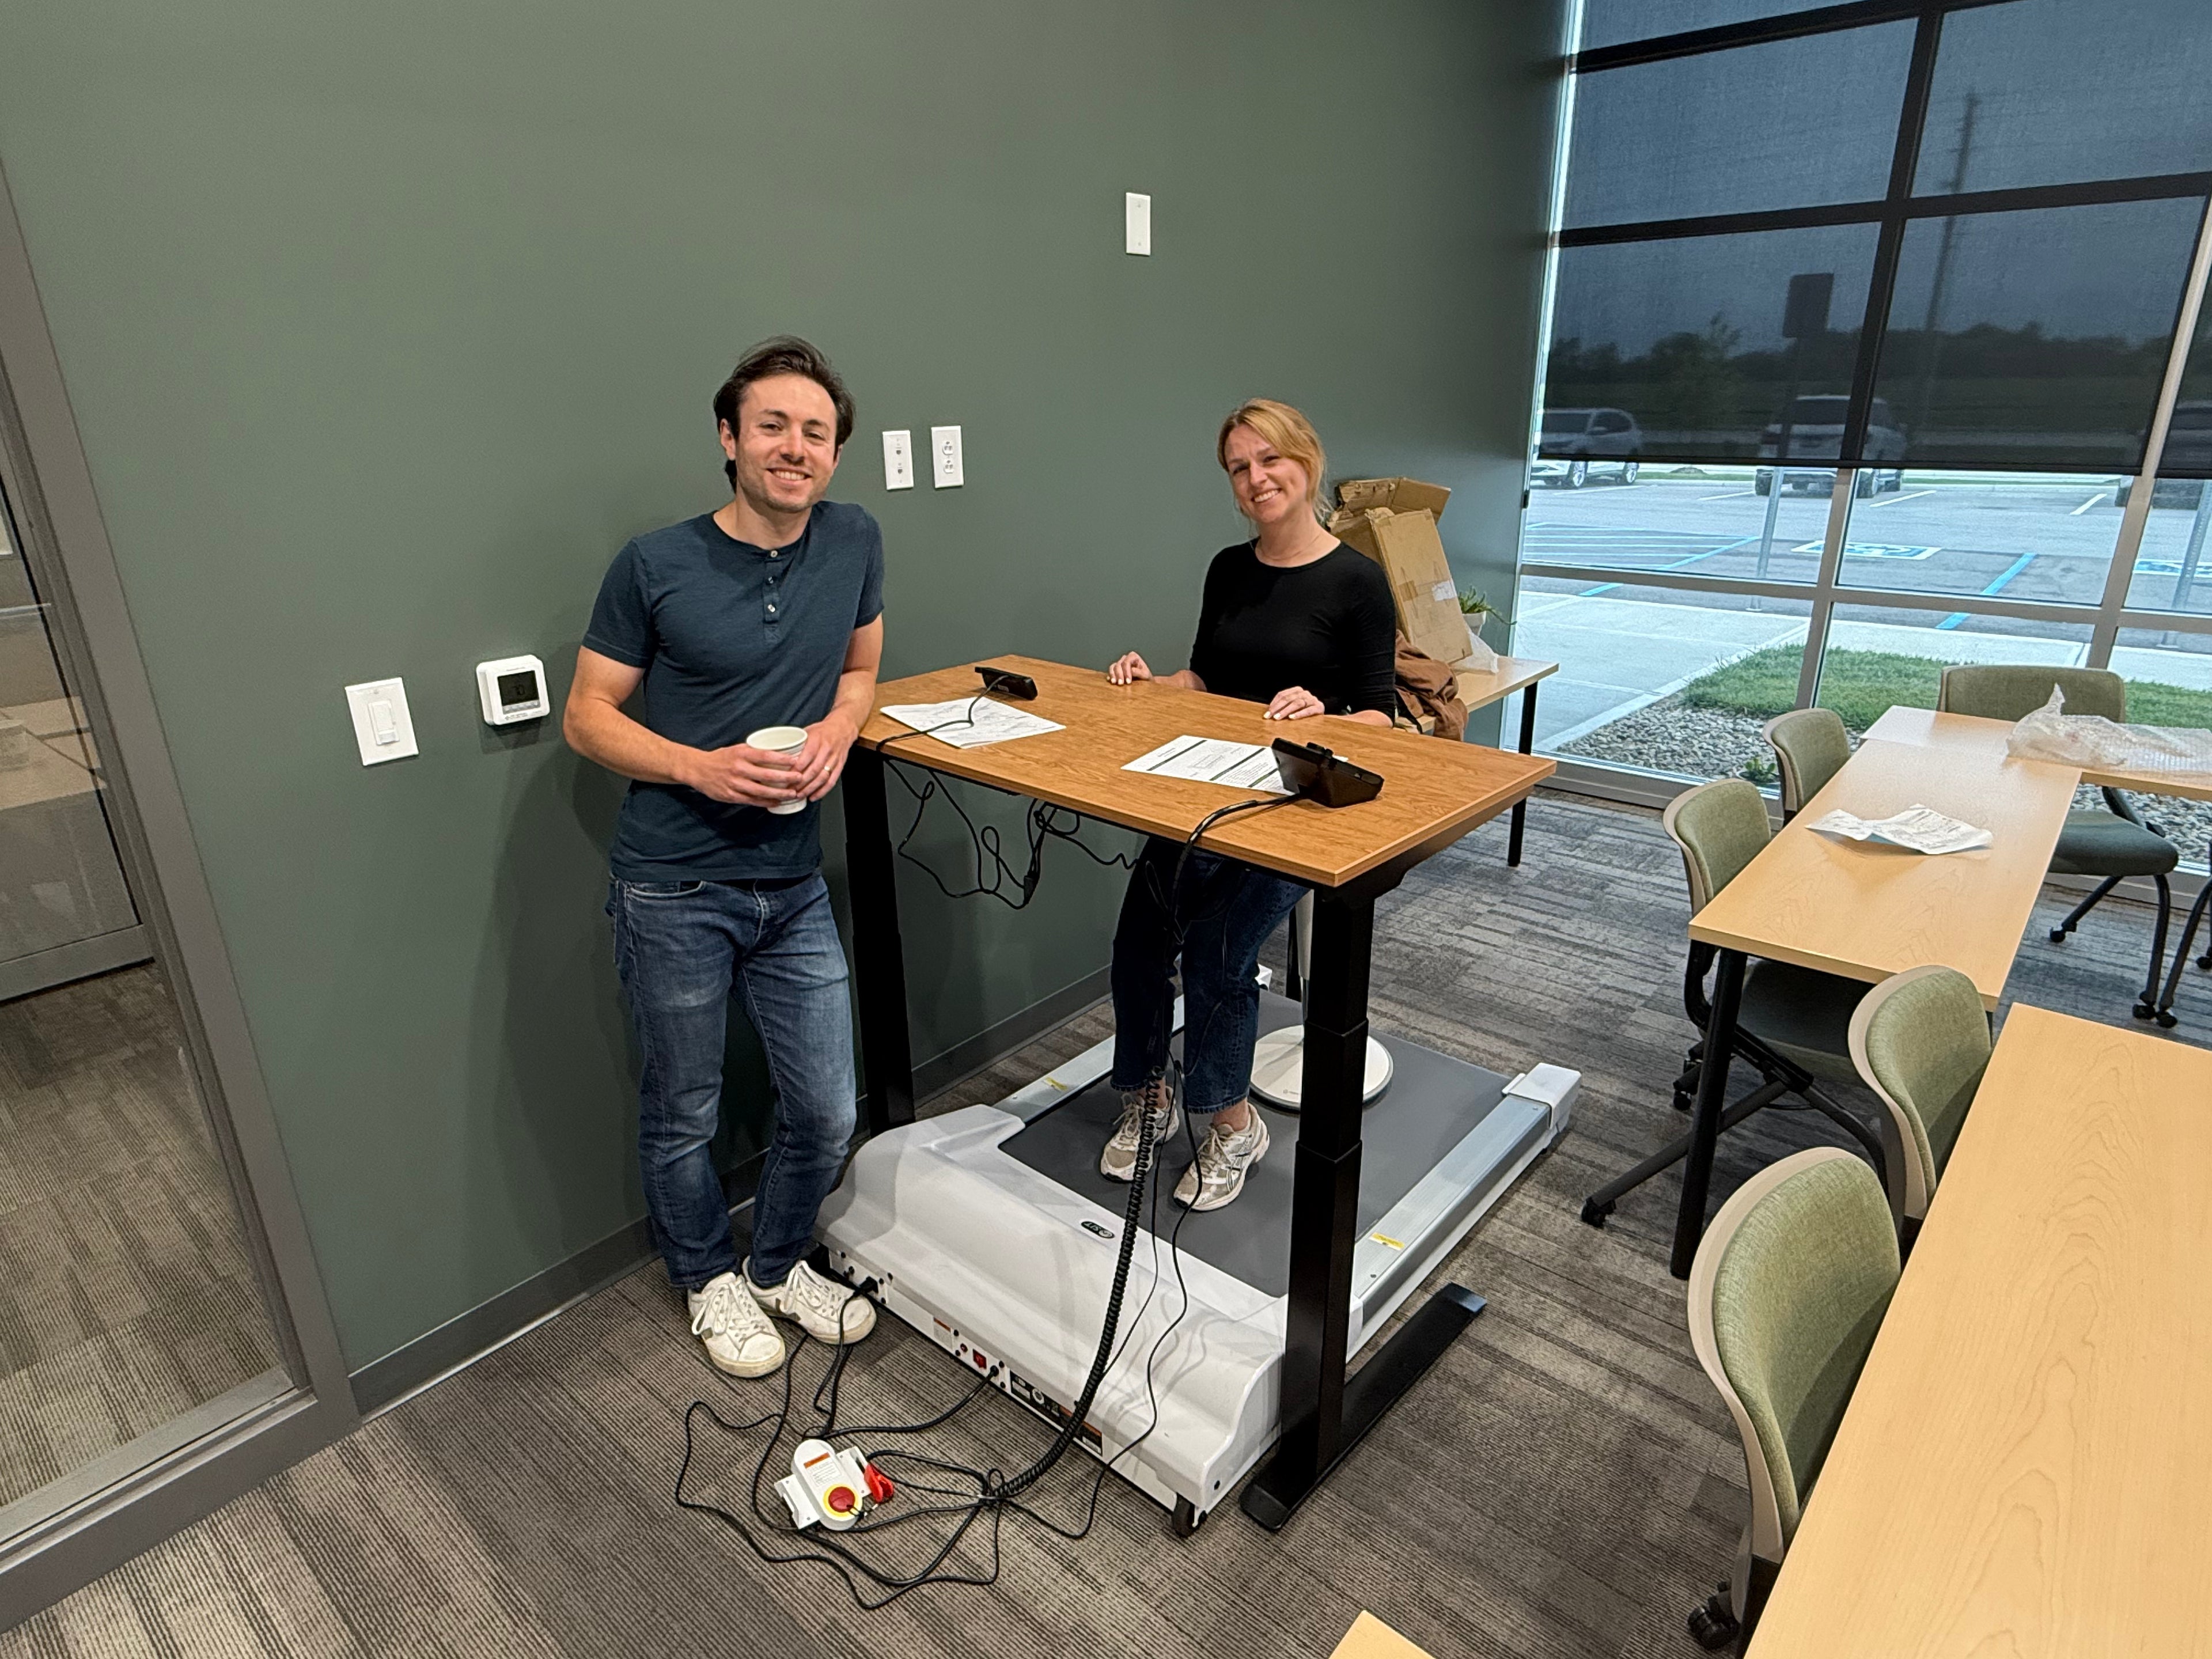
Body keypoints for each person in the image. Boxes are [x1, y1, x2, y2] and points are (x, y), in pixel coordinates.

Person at [565, 336, 882, 1378]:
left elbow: (862, 669)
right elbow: (586, 718)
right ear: (730, 437)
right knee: (683, 1111)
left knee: (830, 1103)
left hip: (793, 885)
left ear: (835, 454)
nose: (796, 448)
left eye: (817, 433)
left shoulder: (855, 539)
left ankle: (778, 1262)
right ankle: (706, 1281)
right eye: (775, 426)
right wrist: (700, 769)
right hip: (673, 887)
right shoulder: (654, 564)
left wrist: (840, 729)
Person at [1101, 399, 1395, 1211]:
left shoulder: (1357, 581)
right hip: (1208, 788)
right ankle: (1148, 1098)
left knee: (1217, 951)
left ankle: (1232, 1125)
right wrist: (1155, 685)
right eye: (1240, 468)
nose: (1257, 478)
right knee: (1137, 938)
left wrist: (1323, 715)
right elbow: (1203, 678)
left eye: (1270, 460)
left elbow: (1384, 715)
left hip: (1297, 807)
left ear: (1307, 461)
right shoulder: (1228, 568)